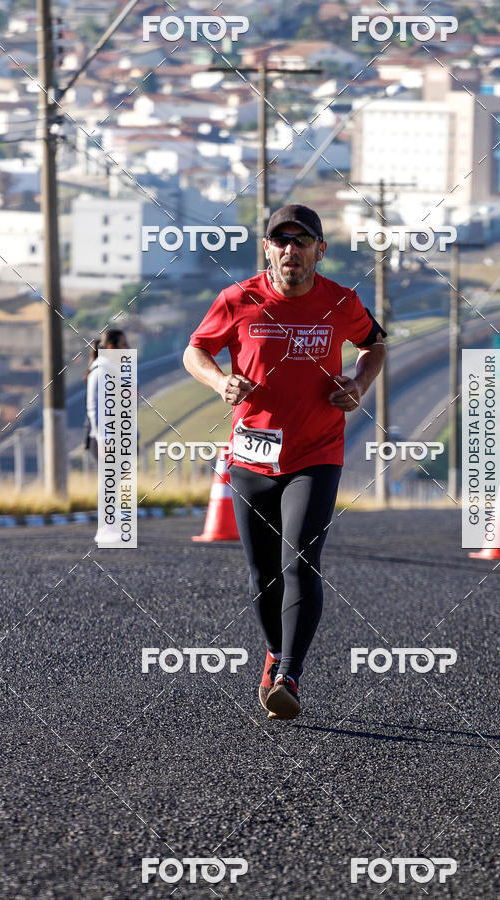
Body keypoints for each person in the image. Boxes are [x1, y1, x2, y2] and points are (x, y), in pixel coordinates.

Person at [183, 204, 386, 720]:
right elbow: (196, 351)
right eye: (282, 241)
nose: (291, 250)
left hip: (316, 452)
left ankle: (289, 674)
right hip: (252, 453)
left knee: (301, 562)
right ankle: (274, 655)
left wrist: (359, 384)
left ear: (320, 249)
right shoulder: (238, 298)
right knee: (261, 574)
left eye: (302, 241)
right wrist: (218, 381)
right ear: (268, 248)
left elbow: (374, 345)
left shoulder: (341, 301)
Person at [85, 328, 129, 543]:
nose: (128, 349)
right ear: (112, 348)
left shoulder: (113, 369)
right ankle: (104, 528)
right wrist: (105, 439)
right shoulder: (102, 371)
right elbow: (95, 408)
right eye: (124, 345)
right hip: (104, 438)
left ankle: (111, 521)